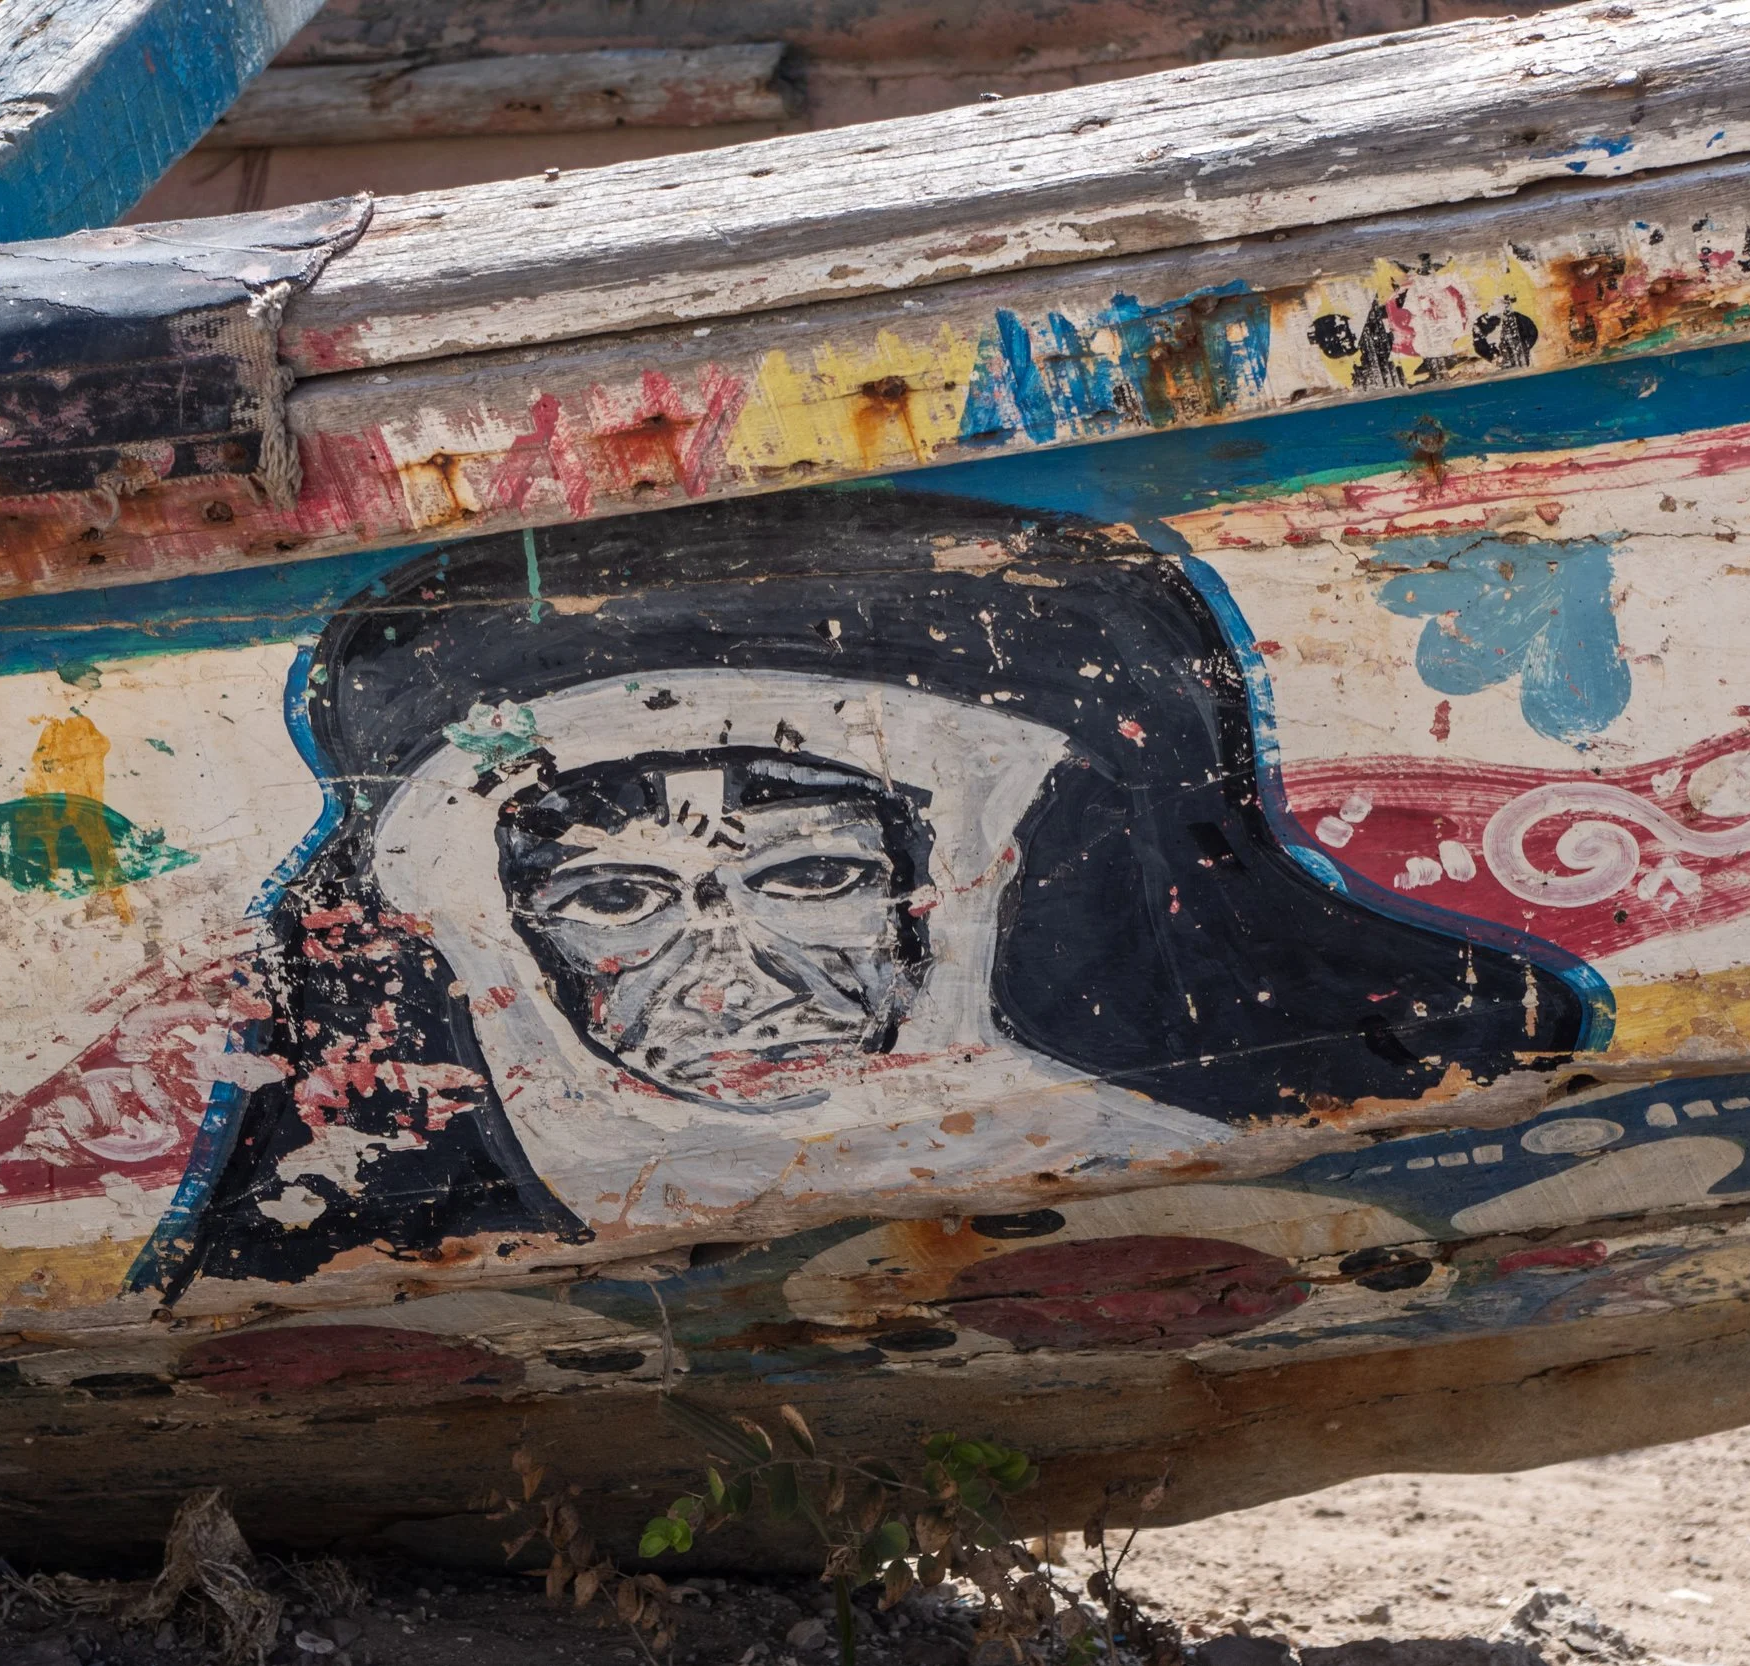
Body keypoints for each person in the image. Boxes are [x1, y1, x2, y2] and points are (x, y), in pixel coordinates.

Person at [144, 488, 1595, 1292]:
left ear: (958, 879)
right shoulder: (372, 1211)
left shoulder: (1151, 1135)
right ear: (501, 928)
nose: (730, 967)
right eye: (619, 900)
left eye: (814, 875)